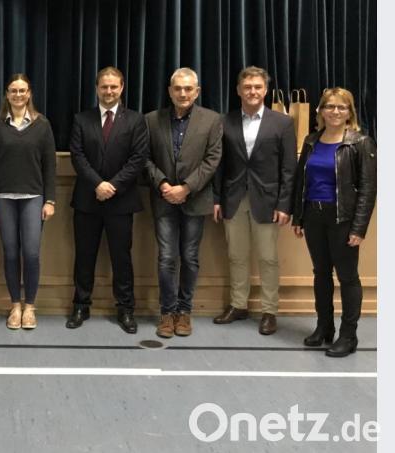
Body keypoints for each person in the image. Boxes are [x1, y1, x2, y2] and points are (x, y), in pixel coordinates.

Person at [291, 87, 376, 357]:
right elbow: (300, 181)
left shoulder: (360, 143)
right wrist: (298, 216)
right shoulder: (311, 140)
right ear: (321, 111)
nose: (335, 112)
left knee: (348, 278)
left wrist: (359, 228)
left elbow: (367, 188)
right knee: (320, 274)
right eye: (330, 106)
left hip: (343, 219)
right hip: (314, 216)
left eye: (341, 107)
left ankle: (348, 336)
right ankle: (323, 327)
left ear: (349, 112)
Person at [212, 66, 296, 335]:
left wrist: (285, 204)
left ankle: (269, 311)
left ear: (266, 90)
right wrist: (216, 199)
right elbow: (218, 165)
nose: (252, 91)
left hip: (268, 201)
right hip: (233, 199)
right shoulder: (225, 122)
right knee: (236, 256)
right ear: (238, 90)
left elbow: (288, 168)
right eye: (247, 87)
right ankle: (238, 305)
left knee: (268, 258)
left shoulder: (282, 123)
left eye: (258, 87)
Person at [67, 66, 149, 333]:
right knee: (84, 256)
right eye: (104, 86)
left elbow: (138, 159)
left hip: (121, 200)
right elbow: (77, 156)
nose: (109, 91)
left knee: (121, 258)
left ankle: (125, 309)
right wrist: (98, 184)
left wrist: (112, 185)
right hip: (87, 199)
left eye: (114, 86)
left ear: (122, 87)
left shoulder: (136, 121)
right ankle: (81, 304)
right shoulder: (82, 119)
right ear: (97, 88)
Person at [145, 68, 222, 338]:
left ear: (197, 91)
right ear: (169, 91)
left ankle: (184, 312)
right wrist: (164, 184)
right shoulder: (151, 120)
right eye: (178, 88)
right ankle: (167, 313)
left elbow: (212, 160)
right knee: (166, 257)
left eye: (189, 89)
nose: (183, 93)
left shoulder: (212, 121)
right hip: (163, 198)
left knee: (189, 258)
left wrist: (187, 187)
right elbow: (144, 158)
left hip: (195, 199)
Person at [0, 73, 56, 330]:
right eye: (13, 90)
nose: (17, 95)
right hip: (2, 198)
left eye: (22, 90)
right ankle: (15, 304)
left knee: (32, 253)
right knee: (11, 253)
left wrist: (51, 201)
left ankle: (30, 306)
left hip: (34, 198)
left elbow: (49, 166)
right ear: (7, 94)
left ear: (29, 93)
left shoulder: (42, 125)